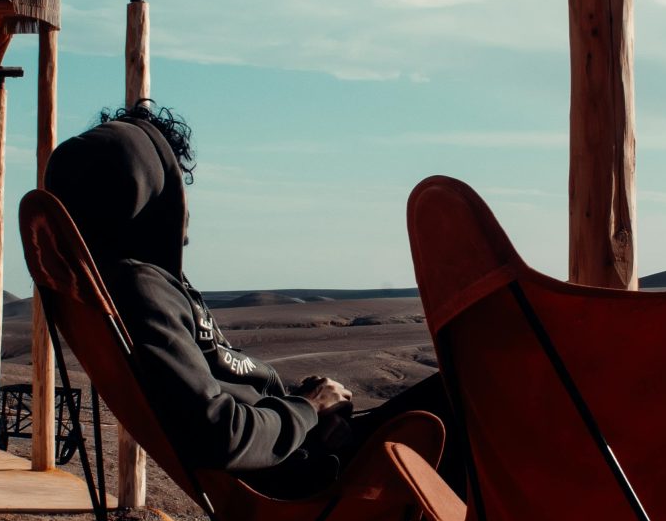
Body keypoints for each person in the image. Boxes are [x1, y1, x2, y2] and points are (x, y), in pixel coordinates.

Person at [44, 100, 460, 500]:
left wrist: (304, 410)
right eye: (175, 182)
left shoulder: (131, 284)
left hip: (298, 447)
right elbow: (216, 432)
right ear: (150, 187)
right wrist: (308, 408)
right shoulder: (141, 286)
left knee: (466, 379)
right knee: (481, 384)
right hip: (306, 480)